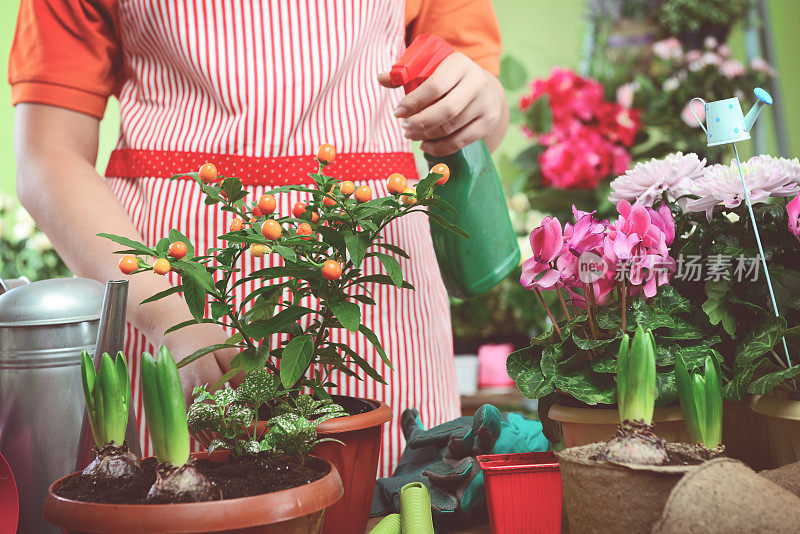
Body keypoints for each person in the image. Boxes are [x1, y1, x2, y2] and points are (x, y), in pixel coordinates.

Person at [9, 0, 507, 476]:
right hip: (172, 298)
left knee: (395, 502)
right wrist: (169, 319)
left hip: (372, 287)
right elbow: (49, 156)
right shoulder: (168, 314)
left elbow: (472, 110)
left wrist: (481, 103)